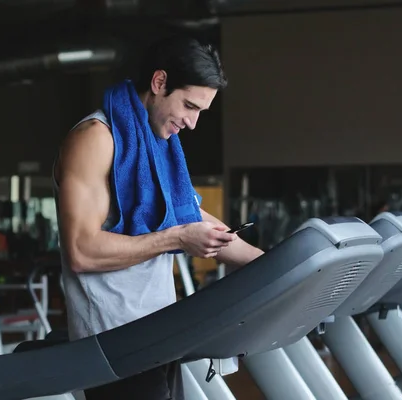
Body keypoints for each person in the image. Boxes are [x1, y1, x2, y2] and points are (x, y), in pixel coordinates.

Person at [52, 34, 264, 400]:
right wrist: (179, 238)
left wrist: (270, 264)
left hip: (158, 334)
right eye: (189, 106)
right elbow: (81, 251)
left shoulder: (155, 145)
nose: (193, 123)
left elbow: (188, 213)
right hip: (113, 345)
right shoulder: (95, 139)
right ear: (159, 82)